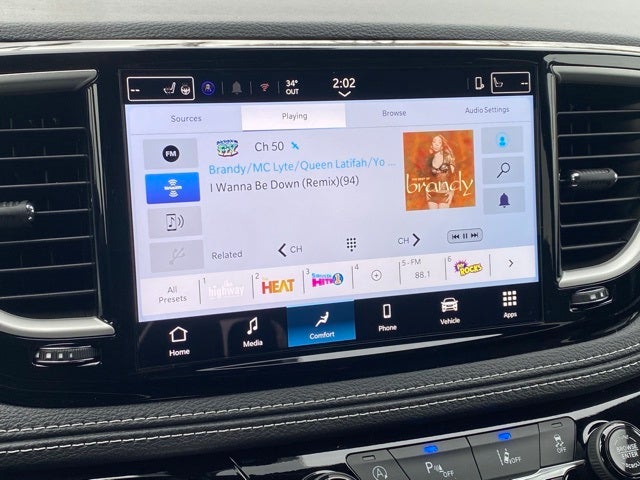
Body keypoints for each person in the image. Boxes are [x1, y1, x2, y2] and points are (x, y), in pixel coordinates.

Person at [425, 134, 456, 209]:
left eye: (439, 142)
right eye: (434, 141)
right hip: (432, 194)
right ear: (431, 144)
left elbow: (455, 176)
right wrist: (426, 191)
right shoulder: (429, 159)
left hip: (445, 194)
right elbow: (426, 177)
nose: (436, 144)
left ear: (442, 146)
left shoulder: (448, 157)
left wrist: (451, 192)